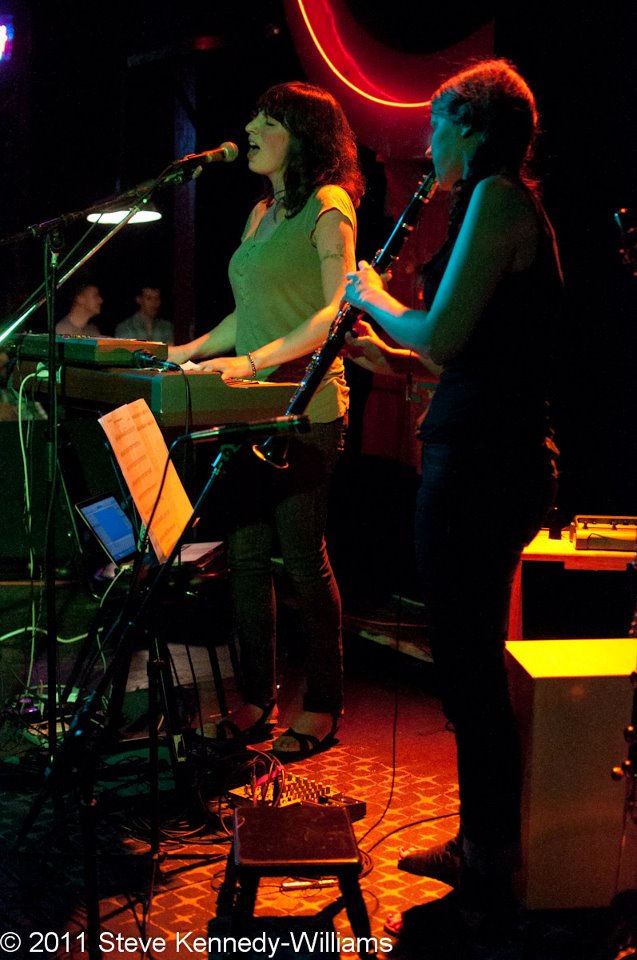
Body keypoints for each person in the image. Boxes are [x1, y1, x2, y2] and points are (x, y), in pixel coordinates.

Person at [344, 58, 562, 951]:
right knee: (464, 671)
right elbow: (464, 358)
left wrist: (372, 297)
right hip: (478, 457)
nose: (429, 144)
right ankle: (478, 846)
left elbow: (438, 334)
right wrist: (389, 357)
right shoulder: (494, 202)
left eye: (436, 126)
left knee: (470, 677)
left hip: (485, 469)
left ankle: (487, 875)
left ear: (469, 126)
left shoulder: (498, 201)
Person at [168, 81, 364, 759]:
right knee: (247, 556)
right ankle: (256, 701)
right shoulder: (259, 213)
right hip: (249, 407)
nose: (250, 127)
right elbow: (247, 310)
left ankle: (323, 705)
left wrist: (253, 361)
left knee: (303, 557)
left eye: (268, 120)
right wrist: (187, 352)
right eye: (254, 115)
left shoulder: (329, 204)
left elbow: (334, 311)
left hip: (306, 410)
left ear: (303, 137)